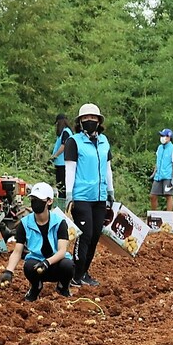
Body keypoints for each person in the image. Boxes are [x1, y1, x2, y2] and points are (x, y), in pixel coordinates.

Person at [63, 103, 113, 287]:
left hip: (100, 196)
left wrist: (110, 190)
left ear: (99, 121)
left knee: (95, 236)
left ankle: (84, 272)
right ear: (80, 122)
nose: (89, 121)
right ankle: (74, 274)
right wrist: (69, 194)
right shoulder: (73, 142)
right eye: (85, 118)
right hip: (82, 196)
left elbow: (107, 168)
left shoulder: (104, 141)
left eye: (93, 118)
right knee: (85, 235)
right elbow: (70, 169)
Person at [0, 182, 75, 301]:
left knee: (68, 265)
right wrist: (9, 271)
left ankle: (63, 287)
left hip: (55, 263)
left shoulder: (60, 222)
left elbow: (62, 251)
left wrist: (47, 262)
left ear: (49, 201)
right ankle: (36, 287)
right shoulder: (25, 223)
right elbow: (17, 252)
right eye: (33, 199)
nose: (35, 202)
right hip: (37, 264)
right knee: (28, 265)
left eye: (39, 199)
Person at [150, 128, 173, 212]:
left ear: (169, 137)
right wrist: (154, 172)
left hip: (168, 176)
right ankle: (153, 215)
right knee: (153, 195)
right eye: (161, 135)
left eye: (164, 136)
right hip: (158, 175)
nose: (162, 137)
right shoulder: (159, 148)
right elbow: (158, 161)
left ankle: (168, 217)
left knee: (168, 196)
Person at [49, 114, 73, 199]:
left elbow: (63, 146)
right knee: (61, 186)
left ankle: (62, 202)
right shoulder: (66, 132)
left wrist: (54, 156)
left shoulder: (66, 132)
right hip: (60, 162)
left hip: (62, 163)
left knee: (62, 186)